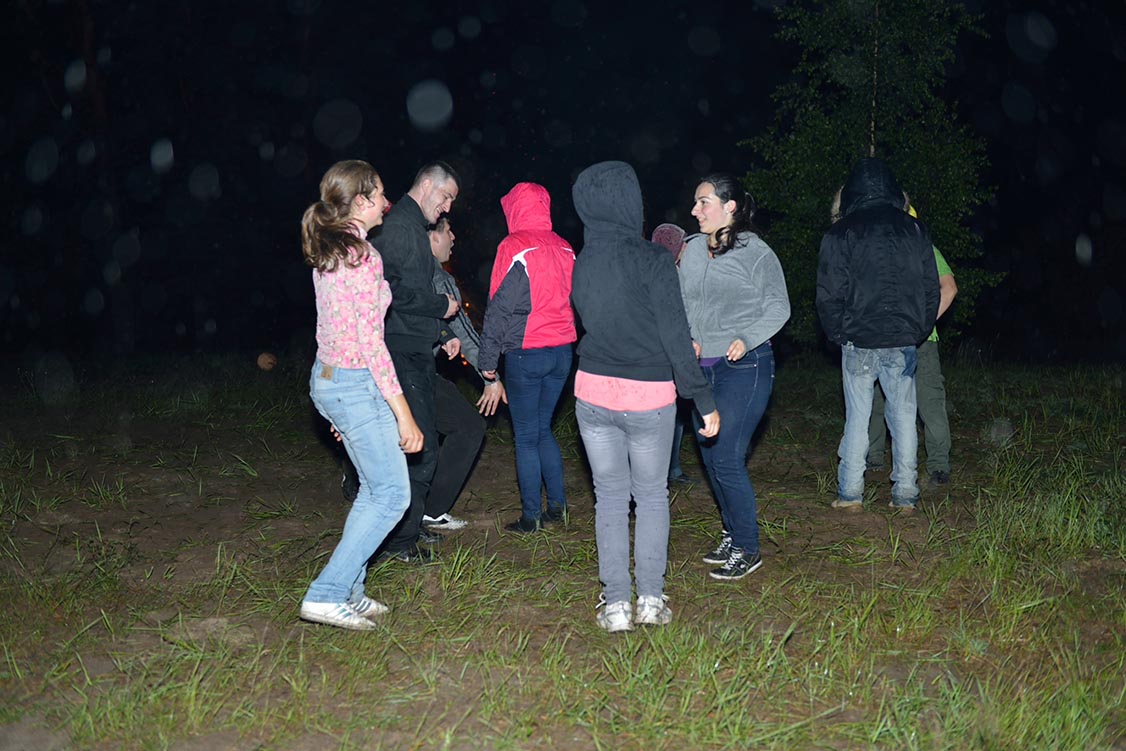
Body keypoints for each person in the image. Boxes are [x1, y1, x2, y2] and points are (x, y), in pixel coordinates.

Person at [571, 161, 719, 632]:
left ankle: (617, 606)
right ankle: (650, 601)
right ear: (630, 203)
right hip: (649, 396)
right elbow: (676, 337)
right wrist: (702, 398)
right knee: (651, 496)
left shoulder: (583, 261)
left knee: (610, 498)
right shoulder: (653, 259)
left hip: (593, 392)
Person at [299, 160, 423, 631]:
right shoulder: (361, 257)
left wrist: (337, 403)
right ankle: (326, 593)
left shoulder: (332, 252)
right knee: (392, 495)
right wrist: (404, 414)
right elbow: (372, 344)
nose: (387, 203)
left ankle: (349, 589)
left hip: (334, 379)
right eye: (382, 194)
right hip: (354, 382)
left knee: (374, 489)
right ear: (363, 200)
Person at [680, 173, 791, 580]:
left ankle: (748, 547)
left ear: (730, 207)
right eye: (695, 202)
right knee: (711, 457)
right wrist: (689, 336)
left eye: (704, 202)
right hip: (701, 369)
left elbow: (779, 307)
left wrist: (747, 337)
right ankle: (731, 533)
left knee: (726, 456)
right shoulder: (692, 250)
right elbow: (682, 301)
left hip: (745, 365)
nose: (695, 210)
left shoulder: (756, 252)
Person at [816, 157, 939, 511]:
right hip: (901, 338)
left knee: (858, 417)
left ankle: (850, 493)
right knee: (903, 418)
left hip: (859, 338)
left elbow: (828, 293)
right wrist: (918, 329)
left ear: (851, 191)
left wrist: (839, 333)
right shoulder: (914, 229)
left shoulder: (841, 232)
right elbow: (930, 287)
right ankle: (905, 495)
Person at [371, 162, 461, 562]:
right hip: (401, 352)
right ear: (426, 185)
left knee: (420, 446)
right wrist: (441, 307)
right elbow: (391, 291)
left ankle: (408, 525)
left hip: (417, 348)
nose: (447, 208)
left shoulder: (413, 228)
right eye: (445, 196)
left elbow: (412, 292)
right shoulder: (400, 228)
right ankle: (400, 543)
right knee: (419, 448)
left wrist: (442, 333)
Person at [479, 182, 577, 533]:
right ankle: (558, 507)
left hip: (527, 353)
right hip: (562, 352)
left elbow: (498, 309)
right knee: (542, 429)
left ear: (515, 209)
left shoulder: (514, 246)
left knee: (525, 436)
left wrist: (488, 363)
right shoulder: (565, 246)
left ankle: (531, 517)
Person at [423, 215, 508, 529]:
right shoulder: (438, 279)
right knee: (468, 427)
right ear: (433, 237)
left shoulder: (396, 269)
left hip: (385, 372)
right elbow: (466, 335)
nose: (453, 238)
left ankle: (357, 479)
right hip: (413, 374)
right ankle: (430, 512)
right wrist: (490, 375)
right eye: (448, 231)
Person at [866, 204, 958, 487]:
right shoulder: (880, 251)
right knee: (876, 398)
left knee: (928, 401)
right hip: (883, 338)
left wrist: (921, 324)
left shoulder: (926, 250)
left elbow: (949, 288)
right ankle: (873, 458)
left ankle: (938, 465)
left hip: (920, 342)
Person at [650, 222, 696, 487]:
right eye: (683, 243)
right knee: (669, 413)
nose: (687, 248)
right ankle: (666, 470)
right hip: (667, 353)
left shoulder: (650, 270)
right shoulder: (671, 275)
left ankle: (670, 468)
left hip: (655, 354)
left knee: (671, 412)